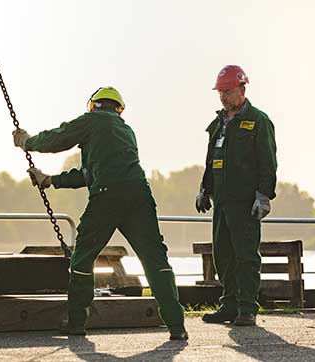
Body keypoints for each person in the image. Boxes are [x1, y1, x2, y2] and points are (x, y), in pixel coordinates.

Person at [12, 87, 187, 340]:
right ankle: (177, 325)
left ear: (93, 106)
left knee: (83, 256)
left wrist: (28, 142)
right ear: (119, 109)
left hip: (107, 195)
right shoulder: (126, 131)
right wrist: (50, 180)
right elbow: (88, 174)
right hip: (139, 194)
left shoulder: (91, 121)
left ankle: (76, 322)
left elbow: (58, 138)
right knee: (154, 258)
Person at [196, 65, 277, 326]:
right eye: (220, 92)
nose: (223, 97)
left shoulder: (257, 121)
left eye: (228, 92)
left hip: (245, 202)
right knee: (223, 255)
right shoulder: (218, 124)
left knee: (245, 255)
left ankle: (247, 308)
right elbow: (212, 161)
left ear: (242, 88)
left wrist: (264, 195)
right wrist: (204, 190)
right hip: (221, 201)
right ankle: (229, 304)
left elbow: (268, 161)